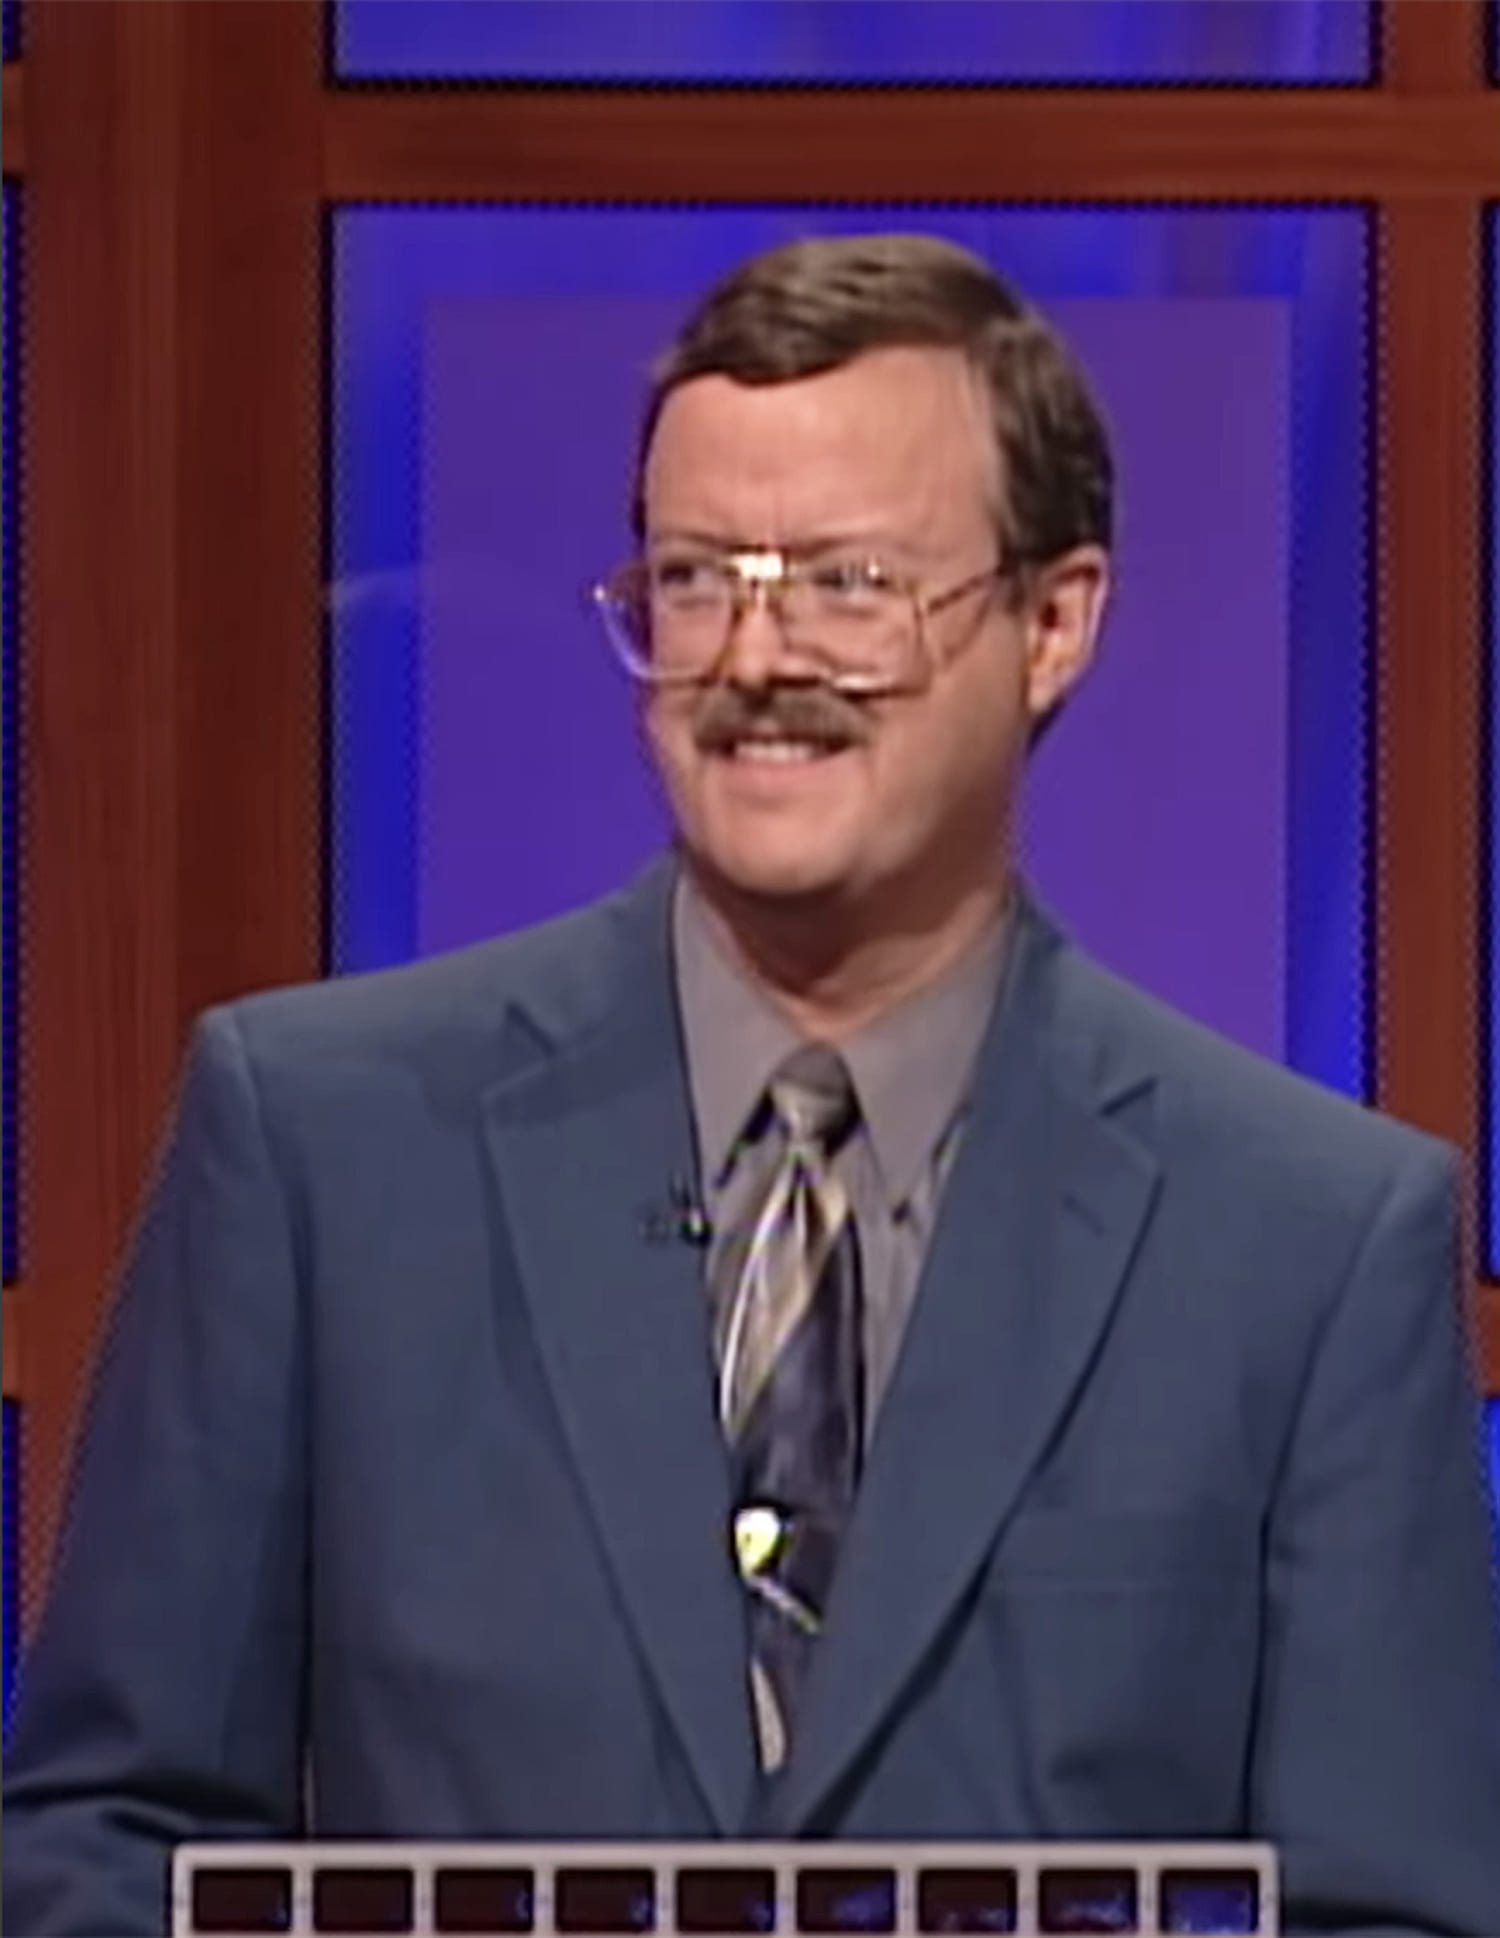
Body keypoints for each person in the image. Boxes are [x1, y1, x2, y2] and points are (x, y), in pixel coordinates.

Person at [5, 233, 1500, 1937]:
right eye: (699, 578)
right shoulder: (318, 1150)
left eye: (852, 583)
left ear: (1055, 620)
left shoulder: (1308, 1244)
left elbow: (1397, 1912)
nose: (756, 657)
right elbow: (107, 1842)